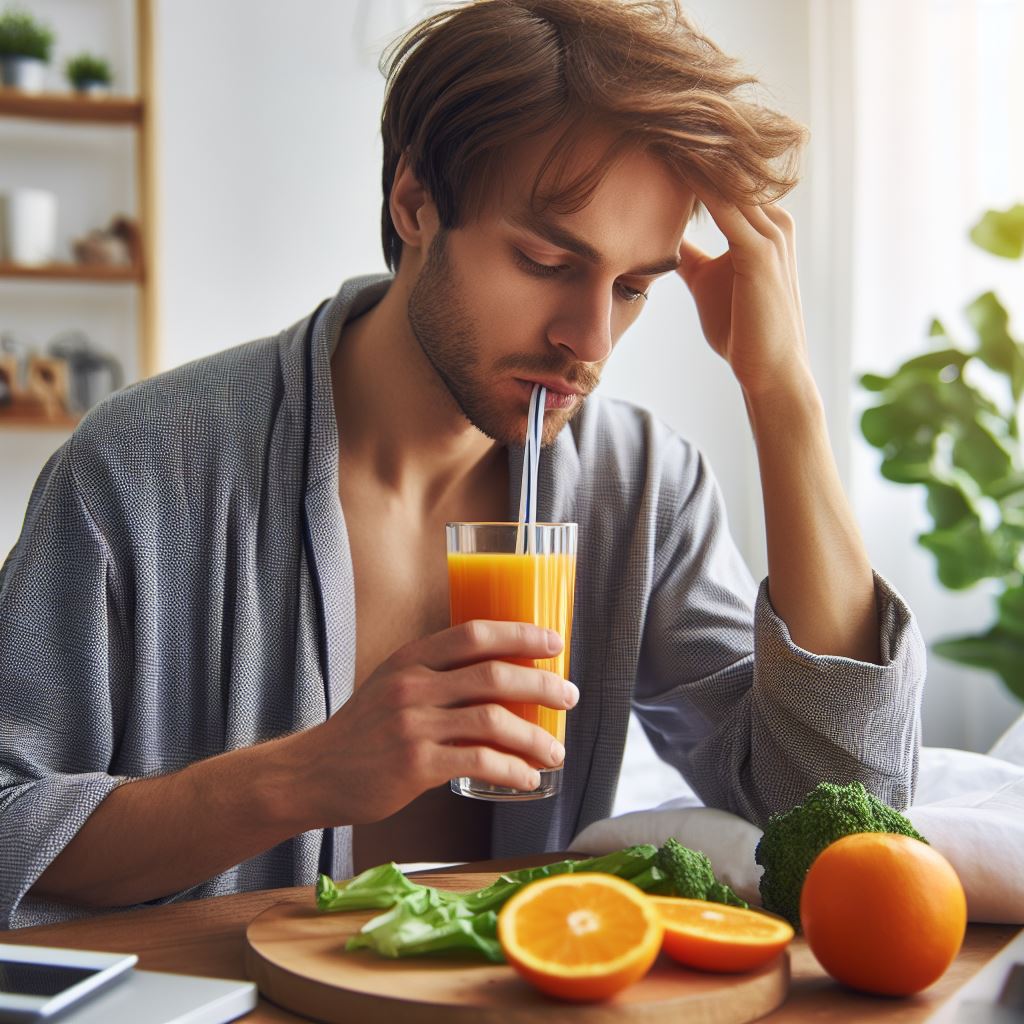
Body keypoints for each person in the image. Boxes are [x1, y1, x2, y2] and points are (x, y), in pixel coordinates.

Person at [0, 0, 924, 928]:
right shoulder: (140, 467)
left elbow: (848, 817)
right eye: (544, 259)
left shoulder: (641, 487)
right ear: (415, 203)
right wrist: (303, 776)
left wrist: (784, 396)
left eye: (634, 287)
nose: (590, 341)